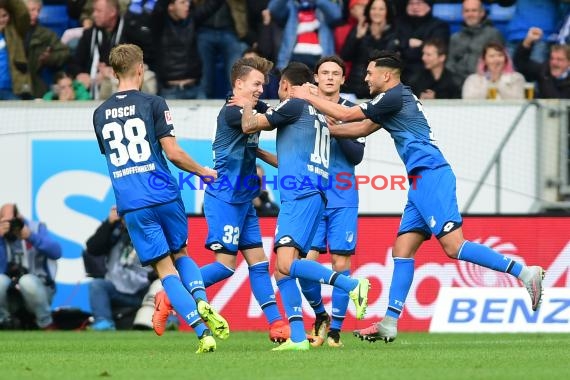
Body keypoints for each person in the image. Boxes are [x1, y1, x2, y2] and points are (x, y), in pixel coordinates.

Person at [291, 50, 545, 343]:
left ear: (386, 75)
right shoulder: (395, 101)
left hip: (432, 175)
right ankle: (390, 322)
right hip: (419, 181)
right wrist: (322, 128)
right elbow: (359, 128)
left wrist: (307, 96)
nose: (366, 77)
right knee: (403, 249)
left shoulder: (393, 96)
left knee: (453, 245)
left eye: (370, 72)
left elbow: (348, 114)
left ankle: (525, 273)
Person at [92, 43, 228, 353]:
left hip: (132, 201)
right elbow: (174, 153)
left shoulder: (100, 114)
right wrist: (204, 172)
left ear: (113, 73)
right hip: (163, 192)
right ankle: (203, 300)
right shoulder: (153, 103)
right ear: (141, 69)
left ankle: (201, 332)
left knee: (165, 271)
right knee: (181, 255)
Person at [231, 61, 370, 351]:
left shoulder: (294, 105)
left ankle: (350, 287)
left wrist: (245, 102)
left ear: (285, 85)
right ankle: (299, 336)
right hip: (312, 193)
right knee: (285, 269)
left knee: (284, 265)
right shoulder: (315, 113)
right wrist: (257, 152)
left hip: (302, 196)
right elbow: (289, 160)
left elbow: (248, 124)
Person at [197, 55, 289, 343]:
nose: (261, 89)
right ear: (238, 84)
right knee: (225, 266)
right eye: (256, 84)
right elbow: (257, 124)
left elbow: (269, 112)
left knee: (259, 263)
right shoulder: (231, 112)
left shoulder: (250, 106)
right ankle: (170, 293)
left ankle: (277, 325)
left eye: (263, 84)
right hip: (224, 197)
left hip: (244, 199)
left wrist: (266, 106)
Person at [299, 55, 365, 348]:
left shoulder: (352, 110)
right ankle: (320, 314)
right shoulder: (303, 109)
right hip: (311, 196)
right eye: (324, 72)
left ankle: (336, 330)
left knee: (341, 261)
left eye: (334, 73)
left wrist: (336, 125)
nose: (328, 77)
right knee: (302, 263)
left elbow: (356, 156)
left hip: (342, 196)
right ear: (315, 77)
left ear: (342, 79)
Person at [84, 205, 153, 331]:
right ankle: (103, 322)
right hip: (116, 290)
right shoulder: (116, 232)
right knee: (97, 284)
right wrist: (109, 223)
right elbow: (92, 248)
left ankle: (170, 322)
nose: (126, 220)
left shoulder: (152, 233)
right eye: (124, 216)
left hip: (143, 294)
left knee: (162, 284)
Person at [0, 203, 62, 329]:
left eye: (13, 221)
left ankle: (46, 324)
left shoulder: (35, 228)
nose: (10, 226)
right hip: (9, 294)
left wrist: (30, 236)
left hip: (38, 289)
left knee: (27, 281)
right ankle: (4, 322)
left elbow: (56, 252)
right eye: (6, 222)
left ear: (19, 217)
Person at [150, 0, 224, 99]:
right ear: (170, 6)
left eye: (188, 1)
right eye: (182, 2)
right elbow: (159, 8)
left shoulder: (191, 20)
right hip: (170, 91)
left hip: (195, 89)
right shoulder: (159, 25)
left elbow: (212, 5)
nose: (187, 5)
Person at [340, 0, 400, 99]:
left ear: (387, 12)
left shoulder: (394, 33)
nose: (377, 12)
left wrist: (375, 38)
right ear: (368, 11)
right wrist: (357, 37)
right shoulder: (360, 29)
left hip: (381, 89)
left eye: (381, 9)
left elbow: (385, 60)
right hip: (355, 86)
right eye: (374, 8)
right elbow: (345, 56)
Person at [445, 0, 505, 86]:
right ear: (462, 14)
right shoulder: (455, 38)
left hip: (484, 85)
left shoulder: (493, 34)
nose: (470, 14)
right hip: (456, 86)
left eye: (474, 10)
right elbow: (449, 65)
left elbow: (499, 63)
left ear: (482, 13)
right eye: (467, 11)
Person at [24, 0, 71, 98]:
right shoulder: (12, 33)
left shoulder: (46, 34)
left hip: (36, 85)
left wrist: (49, 58)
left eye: (38, 10)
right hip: (14, 83)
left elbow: (65, 52)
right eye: (32, 10)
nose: (36, 14)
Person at [514, 27, 570, 99]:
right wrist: (528, 41)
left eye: (559, 60)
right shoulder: (544, 70)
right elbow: (521, 63)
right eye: (552, 58)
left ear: (569, 62)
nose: (554, 62)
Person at [0, 0, 33, 100]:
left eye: (4, 16)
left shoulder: (15, 31)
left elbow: (22, 13)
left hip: (12, 89)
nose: (1, 20)